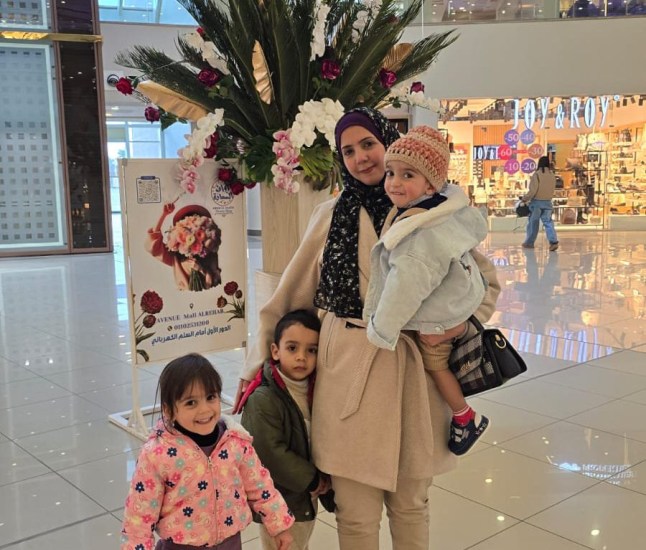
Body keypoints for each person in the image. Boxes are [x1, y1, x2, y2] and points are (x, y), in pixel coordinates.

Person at [235, 107, 500, 550]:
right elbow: (290, 297)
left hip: (414, 374)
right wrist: (256, 365)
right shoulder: (329, 215)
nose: (361, 158)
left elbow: (484, 284)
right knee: (356, 514)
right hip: (346, 371)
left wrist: (454, 326)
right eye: (348, 151)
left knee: (411, 504)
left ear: (388, 143)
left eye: (369, 144)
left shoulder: (432, 212)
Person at [363, 126, 490, 456]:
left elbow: (404, 288)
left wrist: (380, 330)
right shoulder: (439, 208)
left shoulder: (418, 235)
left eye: (408, 175)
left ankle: (466, 417)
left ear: (431, 183)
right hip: (457, 300)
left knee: (436, 364)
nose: (394, 183)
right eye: (391, 173)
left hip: (439, 316)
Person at [121, 353, 294, 550]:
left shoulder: (235, 442)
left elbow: (260, 486)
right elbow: (139, 517)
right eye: (190, 402)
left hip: (230, 544)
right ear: (169, 410)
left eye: (211, 397)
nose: (204, 410)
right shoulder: (157, 455)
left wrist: (279, 525)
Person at [238, 309, 334, 550]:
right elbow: (269, 453)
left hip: (303, 494)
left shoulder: (315, 389)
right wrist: (312, 479)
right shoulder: (264, 398)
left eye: (311, 350)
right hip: (278, 500)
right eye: (292, 348)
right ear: (275, 351)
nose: (302, 357)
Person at [146, 203, 222, 291]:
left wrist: (201, 269)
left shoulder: (210, 254)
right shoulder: (175, 257)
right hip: (182, 297)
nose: (191, 228)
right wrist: (164, 214)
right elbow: (154, 247)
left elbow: (214, 283)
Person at [520, 156, 559, 251]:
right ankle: (553, 242)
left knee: (533, 223)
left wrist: (525, 199)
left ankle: (529, 242)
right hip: (548, 202)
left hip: (536, 203)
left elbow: (533, 191)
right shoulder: (552, 175)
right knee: (548, 222)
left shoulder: (537, 175)